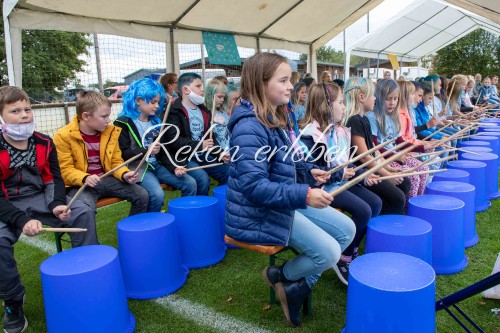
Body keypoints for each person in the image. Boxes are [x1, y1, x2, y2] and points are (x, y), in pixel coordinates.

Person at [225, 53, 355, 327]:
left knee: (347, 229)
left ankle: (292, 284)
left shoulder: (275, 114)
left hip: (281, 200)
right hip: (258, 212)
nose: (290, 87)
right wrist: (305, 194)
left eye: (290, 81)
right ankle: (282, 277)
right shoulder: (249, 126)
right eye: (283, 81)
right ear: (261, 84)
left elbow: (288, 161)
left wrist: (309, 172)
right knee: (330, 252)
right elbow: (253, 187)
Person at [0, 86, 97, 333]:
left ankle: (88, 277)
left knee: (81, 210)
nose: (24, 115)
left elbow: (53, 178)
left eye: (27, 109)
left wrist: (57, 204)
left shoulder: (44, 141)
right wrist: (21, 221)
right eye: (15, 111)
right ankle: (13, 302)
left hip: (41, 197)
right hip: (6, 204)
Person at [299, 82, 382, 284]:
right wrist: (343, 173)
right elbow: (316, 173)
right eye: (341, 103)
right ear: (325, 105)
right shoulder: (311, 135)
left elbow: (344, 165)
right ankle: (344, 256)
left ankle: (352, 248)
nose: (345, 107)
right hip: (323, 188)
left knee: (375, 203)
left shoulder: (336, 131)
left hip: (338, 181)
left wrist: (362, 174)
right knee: (363, 210)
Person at [53, 91, 149, 217]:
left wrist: (124, 174)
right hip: (81, 184)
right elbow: (65, 170)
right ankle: (88, 237)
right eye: (104, 116)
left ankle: (132, 232)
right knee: (84, 209)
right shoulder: (63, 136)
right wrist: (85, 177)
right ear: (86, 116)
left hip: (107, 180)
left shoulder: (110, 132)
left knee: (142, 195)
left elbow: (116, 162)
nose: (108, 120)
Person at [115, 78, 198, 211]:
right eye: (153, 102)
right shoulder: (123, 123)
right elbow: (124, 154)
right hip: (138, 169)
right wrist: (146, 150)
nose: (157, 106)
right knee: (157, 194)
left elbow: (163, 151)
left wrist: (174, 168)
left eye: (158, 102)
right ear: (138, 100)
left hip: (157, 165)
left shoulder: (155, 122)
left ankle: (182, 217)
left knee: (190, 183)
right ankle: (151, 224)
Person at [344, 77, 410, 215]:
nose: (375, 98)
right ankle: (378, 228)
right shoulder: (354, 120)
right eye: (372, 95)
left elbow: (375, 150)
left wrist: (389, 168)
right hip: (361, 174)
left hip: (370, 169)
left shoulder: (364, 119)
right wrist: (387, 175)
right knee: (397, 198)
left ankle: (393, 222)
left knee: (405, 182)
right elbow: (364, 157)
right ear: (362, 97)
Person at [158, 72, 230, 196]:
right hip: (184, 157)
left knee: (227, 171)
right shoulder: (174, 111)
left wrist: (220, 153)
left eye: (202, 86)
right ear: (186, 89)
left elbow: (210, 137)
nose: (203, 89)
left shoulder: (204, 110)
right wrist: (199, 145)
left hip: (203, 155)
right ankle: (197, 209)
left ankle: (221, 204)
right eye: (198, 86)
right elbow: (173, 141)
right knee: (202, 179)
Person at [367, 79, 428, 200]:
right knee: (413, 176)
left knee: (424, 169)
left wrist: (423, 146)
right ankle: (407, 210)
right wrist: (396, 155)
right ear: (379, 97)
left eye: (395, 99)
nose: (392, 103)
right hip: (384, 159)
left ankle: (417, 204)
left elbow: (399, 141)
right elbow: (374, 146)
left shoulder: (393, 117)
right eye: (388, 99)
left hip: (395, 155)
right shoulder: (372, 117)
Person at [204, 79, 229, 151]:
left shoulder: (223, 112)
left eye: (224, 97)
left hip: (227, 149)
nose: (222, 100)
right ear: (209, 95)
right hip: (215, 151)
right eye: (219, 97)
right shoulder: (206, 113)